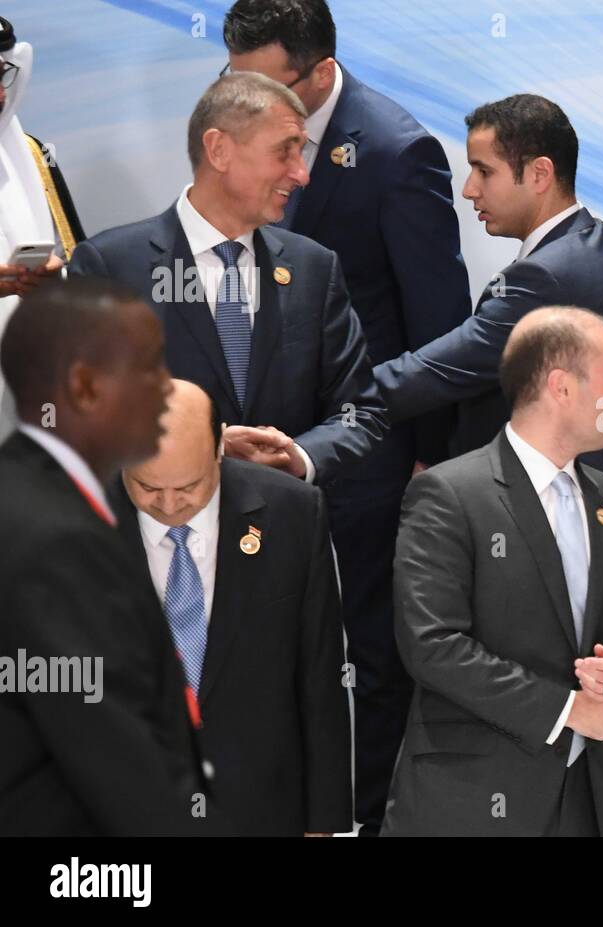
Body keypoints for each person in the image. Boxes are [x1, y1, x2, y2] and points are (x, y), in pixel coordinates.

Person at [222, 0, 472, 833]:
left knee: (370, 652)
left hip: (368, 455)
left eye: (266, 84)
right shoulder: (240, 143)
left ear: (319, 73)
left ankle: (369, 818)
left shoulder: (396, 152)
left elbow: (440, 320)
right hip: (256, 452)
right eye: (234, 82)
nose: (246, 101)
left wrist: (429, 456)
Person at [373, 94, 603, 599]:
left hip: (571, 539)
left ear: (540, 173)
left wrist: (334, 395)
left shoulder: (540, 277)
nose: (468, 189)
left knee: (557, 681)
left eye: (484, 171)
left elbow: (433, 373)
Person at [382, 307, 603, 837]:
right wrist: (568, 709)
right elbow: (433, 645)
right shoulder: (449, 495)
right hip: (471, 802)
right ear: (561, 387)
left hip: (592, 799)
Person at [67, 71, 387, 487]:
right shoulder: (109, 268)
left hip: (283, 536)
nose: (301, 173)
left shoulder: (314, 268)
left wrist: (301, 457)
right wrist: (208, 442)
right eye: (284, 153)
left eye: (300, 153)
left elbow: (360, 411)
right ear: (219, 150)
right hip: (154, 533)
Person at [0, 277, 212, 835]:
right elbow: (111, 750)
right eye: (149, 367)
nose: (168, 388)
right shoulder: (53, 539)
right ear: (85, 387)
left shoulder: (32, 497)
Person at [111, 380, 352, 836]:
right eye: (146, 486)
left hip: (259, 805)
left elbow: (320, 679)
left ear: (219, 447)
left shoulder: (292, 513)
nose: (167, 505)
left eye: (187, 486)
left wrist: (324, 822)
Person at [0, 15, 86, 443]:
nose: (0, 93)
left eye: (1, 73)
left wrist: (53, 282)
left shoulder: (30, 155)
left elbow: (83, 270)